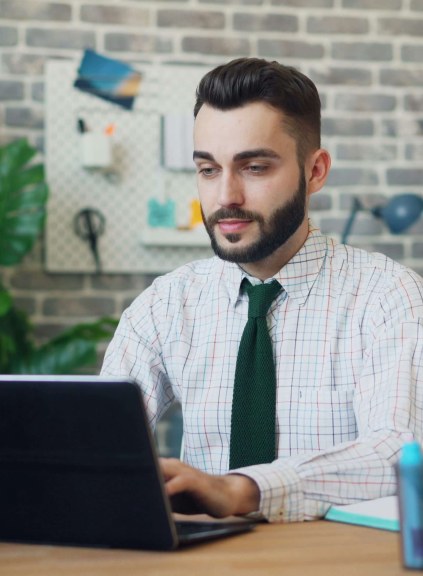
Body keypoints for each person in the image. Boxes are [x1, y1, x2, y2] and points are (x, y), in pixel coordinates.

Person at [101, 57, 423, 523]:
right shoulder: (165, 304)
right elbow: (100, 440)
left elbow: (399, 453)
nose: (226, 195)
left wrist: (244, 491)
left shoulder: (389, 297)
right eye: (208, 170)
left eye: (253, 167)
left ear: (315, 171)